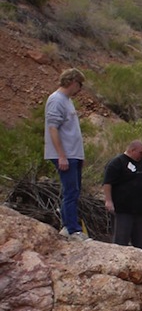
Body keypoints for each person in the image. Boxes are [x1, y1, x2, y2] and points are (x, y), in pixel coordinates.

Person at [44, 68, 88, 241]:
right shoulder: (56, 100)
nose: (80, 89)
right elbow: (53, 128)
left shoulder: (67, 101)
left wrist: (80, 155)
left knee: (74, 191)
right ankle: (72, 229)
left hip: (73, 154)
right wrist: (61, 155)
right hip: (65, 154)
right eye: (80, 84)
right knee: (71, 191)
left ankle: (68, 226)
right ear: (73, 82)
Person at [103, 140, 142, 253]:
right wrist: (108, 200)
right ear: (132, 150)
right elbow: (107, 183)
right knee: (121, 241)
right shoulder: (117, 162)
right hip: (123, 209)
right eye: (140, 152)